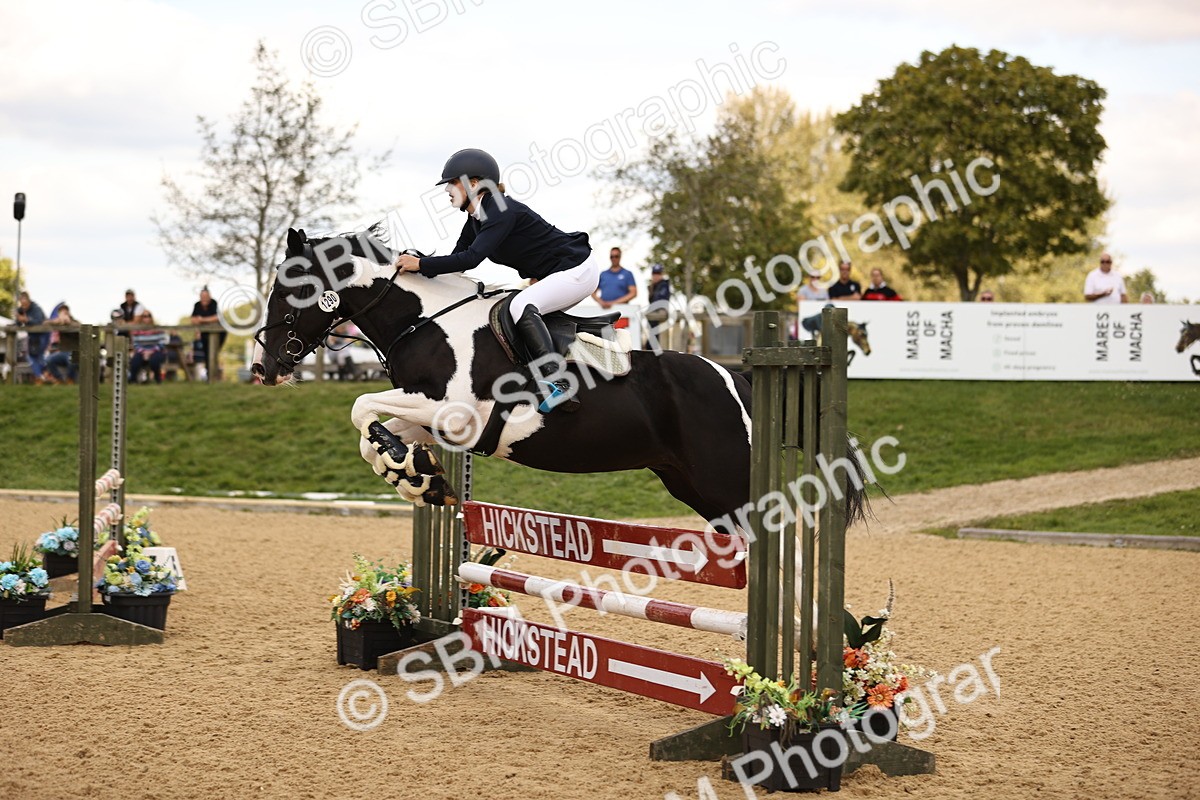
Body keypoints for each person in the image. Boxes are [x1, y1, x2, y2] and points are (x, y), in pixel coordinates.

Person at [394, 148, 599, 413]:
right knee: (512, 306)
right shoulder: (476, 218)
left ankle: (557, 383)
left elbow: (471, 259)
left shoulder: (500, 210)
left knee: (519, 307)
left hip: (577, 270)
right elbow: (457, 259)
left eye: (452, 183)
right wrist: (419, 268)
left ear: (474, 184)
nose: (447, 190)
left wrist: (421, 264)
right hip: (559, 273)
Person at [189, 286, 225, 379]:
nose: (204, 299)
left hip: (219, 333)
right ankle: (210, 376)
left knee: (213, 353)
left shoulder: (213, 303)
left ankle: (214, 375)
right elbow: (193, 319)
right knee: (207, 353)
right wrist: (208, 320)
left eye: (206, 296)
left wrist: (201, 319)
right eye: (202, 296)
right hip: (204, 333)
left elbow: (217, 317)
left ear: (209, 296)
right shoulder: (197, 305)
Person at [14, 291, 50, 384]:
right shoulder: (20, 309)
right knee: (32, 356)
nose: (23, 306)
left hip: (43, 334)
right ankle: (42, 377)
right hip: (33, 336)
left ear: (28, 301)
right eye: (22, 303)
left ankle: (42, 376)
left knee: (38, 356)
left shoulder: (36, 308)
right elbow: (18, 324)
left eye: (25, 303)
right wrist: (18, 319)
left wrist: (27, 319)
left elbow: (39, 322)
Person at [128, 310, 169, 384]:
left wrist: (151, 351)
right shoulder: (137, 330)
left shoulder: (157, 329)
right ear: (141, 318)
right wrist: (144, 352)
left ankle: (158, 379)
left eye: (148, 316)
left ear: (151, 317)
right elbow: (135, 344)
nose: (147, 318)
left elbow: (162, 342)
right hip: (142, 351)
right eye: (144, 316)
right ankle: (132, 380)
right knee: (135, 361)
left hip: (156, 351)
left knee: (154, 361)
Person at [44, 303, 79, 384]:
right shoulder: (58, 322)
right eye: (61, 313)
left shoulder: (75, 322)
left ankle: (70, 380)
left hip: (74, 351)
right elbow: (45, 323)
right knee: (48, 360)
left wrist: (69, 322)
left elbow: (79, 327)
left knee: (72, 360)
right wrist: (55, 322)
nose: (64, 315)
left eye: (65, 313)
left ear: (69, 313)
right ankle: (59, 380)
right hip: (62, 352)